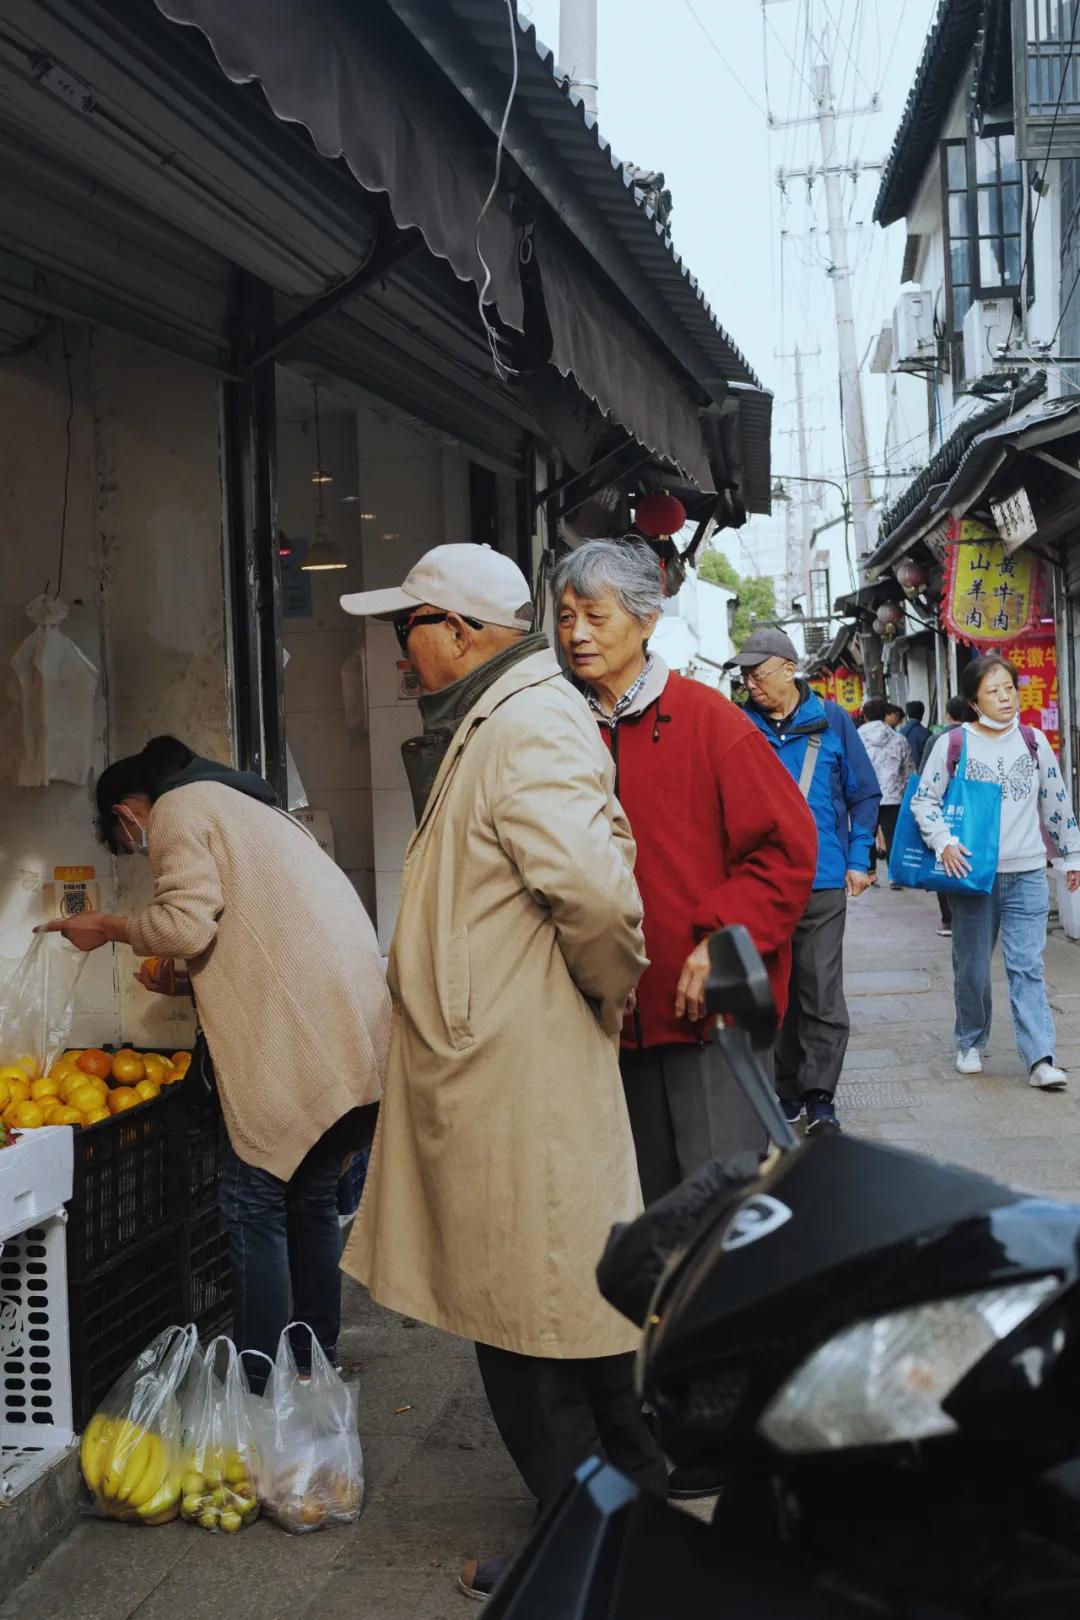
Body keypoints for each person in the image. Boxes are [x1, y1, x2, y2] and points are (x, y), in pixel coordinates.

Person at [337, 544, 666, 1601]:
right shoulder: (504, 711)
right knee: (562, 1298)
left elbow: (597, 898)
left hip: (514, 1059)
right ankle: (633, 1499)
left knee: (521, 1313)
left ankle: (578, 1532)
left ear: (466, 632)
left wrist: (601, 994)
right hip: (503, 1053)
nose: (400, 652)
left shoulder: (524, 718)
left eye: (409, 628)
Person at [42, 735, 389, 1375]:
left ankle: (256, 1384)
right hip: (352, 1037)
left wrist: (108, 925)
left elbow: (185, 925)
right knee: (311, 1200)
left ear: (127, 813)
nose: (139, 849)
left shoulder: (177, 809)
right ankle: (312, 1366)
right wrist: (182, 981)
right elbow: (257, 935)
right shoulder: (251, 808)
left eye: (127, 844)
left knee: (250, 1202)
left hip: (300, 1048)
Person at [554, 541, 817, 1204]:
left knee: (714, 1214)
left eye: (594, 615)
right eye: (564, 617)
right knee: (639, 1221)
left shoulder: (711, 722)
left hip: (707, 1022)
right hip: (603, 1020)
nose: (577, 634)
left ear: (646, 620)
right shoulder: (557, 729)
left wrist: (721, 935)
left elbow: (787, 851)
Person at [731, 631, 881, 1134]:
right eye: (745, 674)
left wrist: (858, 859)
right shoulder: (738, 725)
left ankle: (819, 1096)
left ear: (790, 668)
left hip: (821, 881)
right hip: (758, 883)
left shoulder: (834, 720)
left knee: (819, 988)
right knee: (771, 991)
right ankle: (782, 1088)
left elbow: (864, 794)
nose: (750, 681)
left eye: (760, 671)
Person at [912, 654, 1080, 1089]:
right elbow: (924, 802)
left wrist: (1072, 854)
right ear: (973, 701)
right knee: (971, 967)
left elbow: (1056, 802)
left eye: (1009, 688)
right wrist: (945, 842)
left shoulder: (1033, 741)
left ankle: (1040, 1057)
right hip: (973, 875)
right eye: (993, 691)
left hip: (1027, 873)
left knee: (1028, 966)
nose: (1006, 698)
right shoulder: (954, 744)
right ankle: (969, 1040)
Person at [920, 695, 969, 939]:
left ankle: (948, 919)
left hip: (941, 810)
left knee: (943, 860)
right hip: (968, 810)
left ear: (948, 714)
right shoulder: (975, 737)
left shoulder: (936, 739)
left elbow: (922, 776)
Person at [859, 697, 915, 886]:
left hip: (865, 796)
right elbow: (908, 770)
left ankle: (870, 873)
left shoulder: (857, 738)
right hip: (893, 796)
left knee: (866, 835)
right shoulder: (898, 738)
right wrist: (905, 791)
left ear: (865, 716)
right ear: (885, 715)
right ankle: (894, 875)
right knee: (893, 836)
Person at [900, 700, 931, 765]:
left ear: (907, 715)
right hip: (921, 772)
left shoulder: (899, 733)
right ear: (922, 715)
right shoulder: (926, 733)